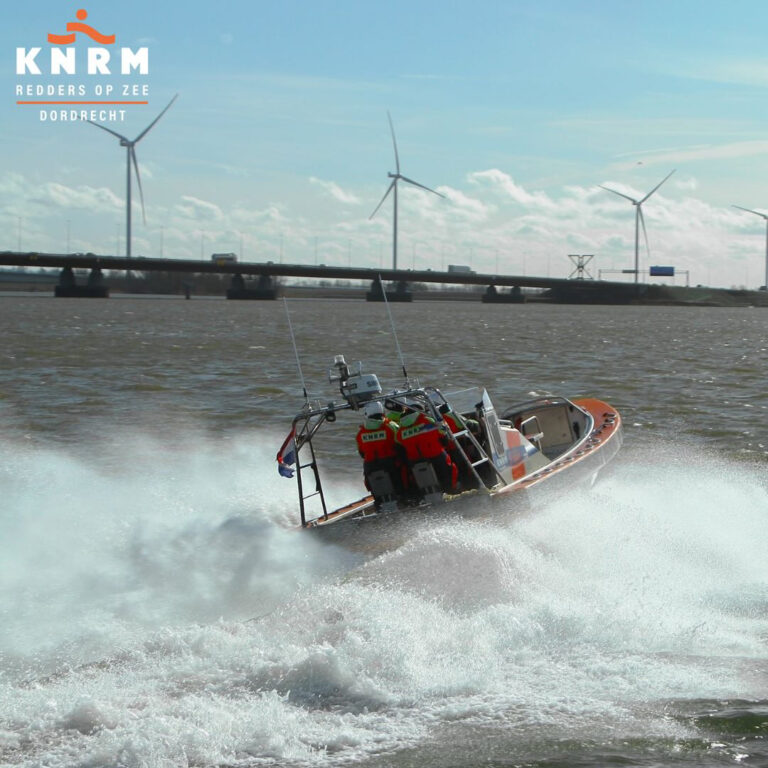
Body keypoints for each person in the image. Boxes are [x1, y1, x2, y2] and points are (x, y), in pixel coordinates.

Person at [395, 405, 458, 494]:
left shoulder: (401, 428)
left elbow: (398, 442)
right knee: (451, 468)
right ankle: (451, 491)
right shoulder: (427, 420)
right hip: (435, 455)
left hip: (414, 460)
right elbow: (444, 432)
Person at [355, 400, 402, 498]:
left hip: (370, 466)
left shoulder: (360, 433)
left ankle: (378, 501)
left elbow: (362, 453)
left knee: (373, 487)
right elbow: (401, 444)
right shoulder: (391, 426)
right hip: (390, 463)